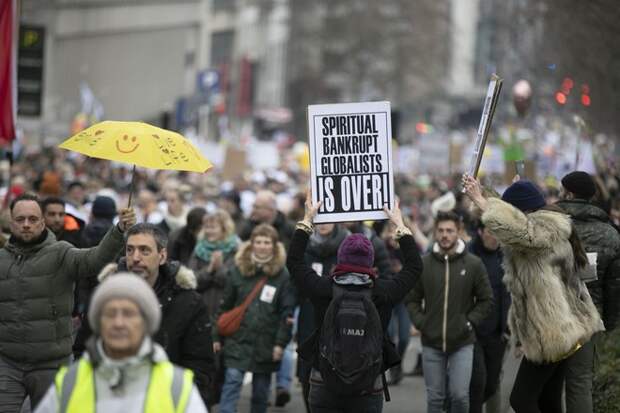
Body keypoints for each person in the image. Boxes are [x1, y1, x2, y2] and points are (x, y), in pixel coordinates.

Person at [463, 175, 605, 413]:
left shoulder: (540, 232)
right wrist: (484, 192)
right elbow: (512, 220)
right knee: (548, 402)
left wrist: (480, 200)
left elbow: (518, 229)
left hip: (552, 333)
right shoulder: (542, 224)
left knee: (521, 400)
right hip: (561, 329)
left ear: (525, 212)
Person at [286, 194, 424, 413]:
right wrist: (400, 225)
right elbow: (415, 267)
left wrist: (307, 220)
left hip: (324, 381)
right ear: (371, 261)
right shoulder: (383, 291)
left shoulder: (324, 289)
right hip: (368, 386)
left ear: (340, 258)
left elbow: (293, 262)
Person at [0, 193, 135, 410]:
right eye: (20, 219)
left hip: (51, 364)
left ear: (42, 222)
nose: (26, 225)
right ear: (11, 222)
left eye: (33, 219)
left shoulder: (61, 253)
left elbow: (95, 259)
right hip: (7, 363)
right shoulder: (2, 259)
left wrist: (119, 230)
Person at [34, 273, 207, 412]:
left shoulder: (177, 386)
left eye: (129, 314)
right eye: (110, 314)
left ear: (146, 322)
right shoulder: (69, 383)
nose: (118, 323)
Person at [97, 223, 215, 406]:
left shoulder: (188, 302)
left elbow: (200, 366)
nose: (135, 258)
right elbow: (86, 350)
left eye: (144, 251)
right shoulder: (105, 297)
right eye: (130, 250)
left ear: (162, 256)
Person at [406, 211, 493, 413]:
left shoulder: (473, 264)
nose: (445, 235)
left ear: (458, 232)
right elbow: (412, 298)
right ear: (435, 233)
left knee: (460, 397)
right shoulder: (424, 263)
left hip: (462, 342)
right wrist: (422, 322)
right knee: (435, 399)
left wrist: (469, 322)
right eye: (441, 231)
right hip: (431, 342)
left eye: (450, 231)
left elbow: (486, 299)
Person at [212, 224, 294, 413]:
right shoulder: (238, 270)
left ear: (274, 246)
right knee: (231, 382)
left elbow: (286, 313)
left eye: (267, 242)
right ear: (251, 244)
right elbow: (224, 307)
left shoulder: (282, 275)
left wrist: (280, 344)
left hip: (266, 342)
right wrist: (215, 336)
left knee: (260, 393)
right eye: (258, 241)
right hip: (238, 340)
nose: (262, 246)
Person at [556, 170, 620, 413]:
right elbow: (614, 285)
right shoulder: (611, 234)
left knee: (542, 385)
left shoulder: (553, 225)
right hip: (589, 318)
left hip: (553, 314)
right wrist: (610, 323)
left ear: (568, 193)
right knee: (580, 384)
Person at [297, 222, 351, 410]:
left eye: (327, 219)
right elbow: (294, 276)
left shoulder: (347, 247)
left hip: (339, 317)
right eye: (318, 220)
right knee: (306, 371)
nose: (322, 224)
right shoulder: (306, 247)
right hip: (309, 316)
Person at [468, 221, 511, 413]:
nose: (494, 237)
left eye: (498, 232)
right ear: (480, 232)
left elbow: (510, 294)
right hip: (473, 330)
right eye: (490, 232)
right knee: (478, 381)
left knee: (492, 383)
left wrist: (509, 328)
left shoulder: (505, 257)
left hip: (497, 332)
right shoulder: (468, 254)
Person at [189, 209, 239, 318]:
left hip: (226, 310)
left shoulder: (235, 250)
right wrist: (209, 270)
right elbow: (191, 280)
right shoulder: (198, 249)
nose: (209, 231)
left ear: (224, 229)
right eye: (206, 227)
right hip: (200, 309)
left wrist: (220, 268)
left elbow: (233, 282)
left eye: (213, 227)